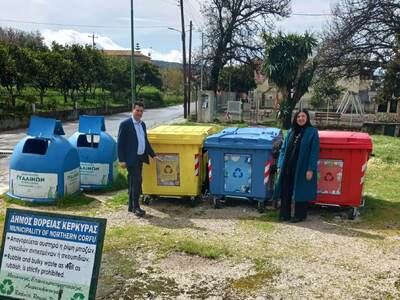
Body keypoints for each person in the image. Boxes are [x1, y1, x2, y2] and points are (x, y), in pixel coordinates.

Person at [275, 109, 320, 222]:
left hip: (302, 167)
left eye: (303, 116)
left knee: (301, 189)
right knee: (286, 189)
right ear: (295, 119)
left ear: (307, 118)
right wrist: (280, 165)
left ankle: (300, 215)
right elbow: (283, 149)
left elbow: (314, 152)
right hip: (288, 166)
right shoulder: (291, 131)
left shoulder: (312, 132)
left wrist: (311, 169)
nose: (301, 118)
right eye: (298, 116)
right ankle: (284, 214)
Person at [117, 102, 160, 217]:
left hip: (140, 158)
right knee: (137, 182)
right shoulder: (125, 124)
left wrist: (153, 154)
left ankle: (131, 206)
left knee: (133, 182)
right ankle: (137, 207)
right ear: (133, 110)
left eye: (141, 111)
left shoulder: (142, 124)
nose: (139, 113)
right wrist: (121, 160)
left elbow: (145, 141)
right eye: (137, 110)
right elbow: (120, 144)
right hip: (131, 159)